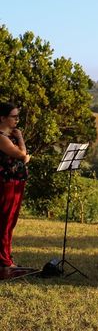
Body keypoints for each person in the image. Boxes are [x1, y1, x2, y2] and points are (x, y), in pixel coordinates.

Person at [0, 102, 30, 269]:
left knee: (10, 223)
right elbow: (22, 155)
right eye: (14, 116)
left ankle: (6, 257)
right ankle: (4, 261)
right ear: (2, 118)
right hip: (6, 185)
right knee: (4, 222)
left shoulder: (9, 135)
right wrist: (20, 139)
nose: (17, 119)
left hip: (16, 183)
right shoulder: (2, 138)